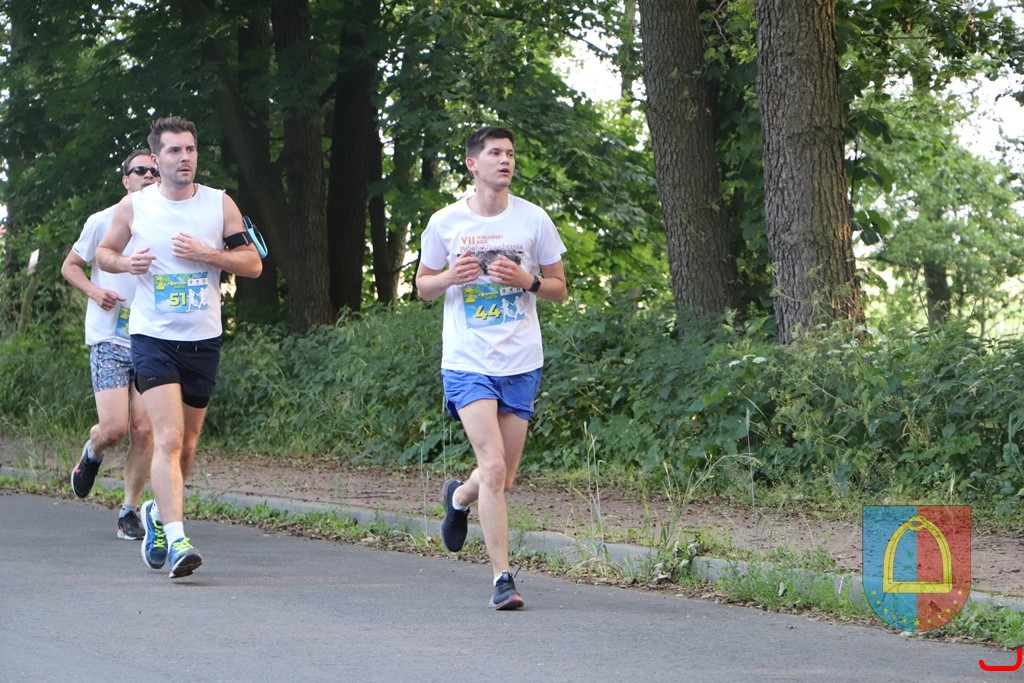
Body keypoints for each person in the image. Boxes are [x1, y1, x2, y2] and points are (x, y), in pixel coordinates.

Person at [95, 116, 263, 578]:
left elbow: (252, 264)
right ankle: (178, 540)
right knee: (166, 438)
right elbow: (105, 253)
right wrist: (127, 264)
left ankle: (155, 513)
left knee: (186, 445)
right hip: (152, 338)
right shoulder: (135, 206)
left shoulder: (219, 203)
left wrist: (206, 254)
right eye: (174, 150)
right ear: (157, 158)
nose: (184, 157)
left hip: (202, 339)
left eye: (190, 149)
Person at [415, 125, 568, 609]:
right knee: (494, 465)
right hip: (468, 361)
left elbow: (560, 288)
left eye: (510, 154)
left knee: (502, 477)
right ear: (472, 163)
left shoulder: (534, 219)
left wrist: (528, 281)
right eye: (496, 153)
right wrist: (448, 277)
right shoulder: (445, 222)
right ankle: (503, 579)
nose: (506, 161)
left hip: (521, 362)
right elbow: (422, 286)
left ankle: (459, 498)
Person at [62, 150, 158, 540]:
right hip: (110, 338)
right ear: (126, 179)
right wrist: (95, 291)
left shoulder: (166, 222)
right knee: (115, 428)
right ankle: (93, 449)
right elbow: (70, 266)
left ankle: (128, 512)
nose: (149, 176)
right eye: (141, 170)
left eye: (154, 171)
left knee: (144, 429)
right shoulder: (102, 220)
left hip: (152, 339)